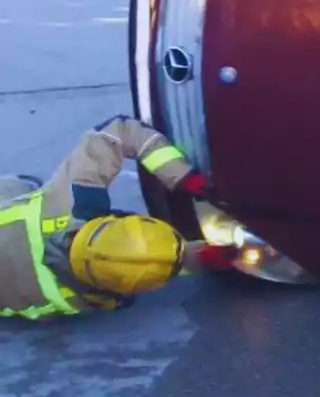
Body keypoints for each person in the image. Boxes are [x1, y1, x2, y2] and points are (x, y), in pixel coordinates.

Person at [0, 115, 229, 321]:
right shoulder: (94, 298)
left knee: (14, 186)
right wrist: (202, 258)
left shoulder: (70, 202)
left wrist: (182, 176)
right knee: (15, 187)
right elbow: (140, 263)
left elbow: (116, 132)